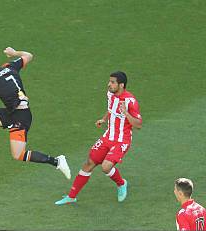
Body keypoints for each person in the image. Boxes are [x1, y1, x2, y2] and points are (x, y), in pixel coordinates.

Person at [0, 47, 70, 179]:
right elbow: (28, 55)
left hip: (20, 118)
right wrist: (14, 53)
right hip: (15, 112)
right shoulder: (9, 67)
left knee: (18, 155)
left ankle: (57, 161)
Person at [55, 71, 142, 205]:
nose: (109, 84)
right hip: (107, 136)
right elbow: (111, 109)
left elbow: (138, 125)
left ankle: (121, 184)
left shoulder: (130, 101)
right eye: (109, 81)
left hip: (121, 140)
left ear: (121, 85)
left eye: (113, 82)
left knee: (106, 167)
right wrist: (103, 119)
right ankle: (71, 196)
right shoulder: (110, 95)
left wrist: (126, 113)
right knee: (89, 163)